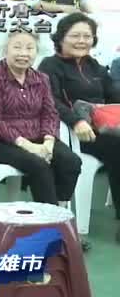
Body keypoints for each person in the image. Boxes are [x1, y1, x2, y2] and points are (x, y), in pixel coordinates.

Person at [0, 30, 82, 207]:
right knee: (39, 165)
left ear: (36, 52)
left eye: (29, 48)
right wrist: (27, 145)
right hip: (0, 140)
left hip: (37, 136)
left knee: (71, 162)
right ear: (5, 50)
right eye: (17, 47)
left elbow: (50, 112)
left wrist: (48, 142)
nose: (23, 53)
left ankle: (58, 209)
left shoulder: (41, 78)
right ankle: (50, 217)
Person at [40, 13, 120, 243]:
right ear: (61, 37)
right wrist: (76, 121)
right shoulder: (50, 66)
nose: (82, 41)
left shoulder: (94, 67)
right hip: (72, 134)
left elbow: (113, 95)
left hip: (102, 129)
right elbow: (50, 101)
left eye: (87, 36)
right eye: (75, 35)